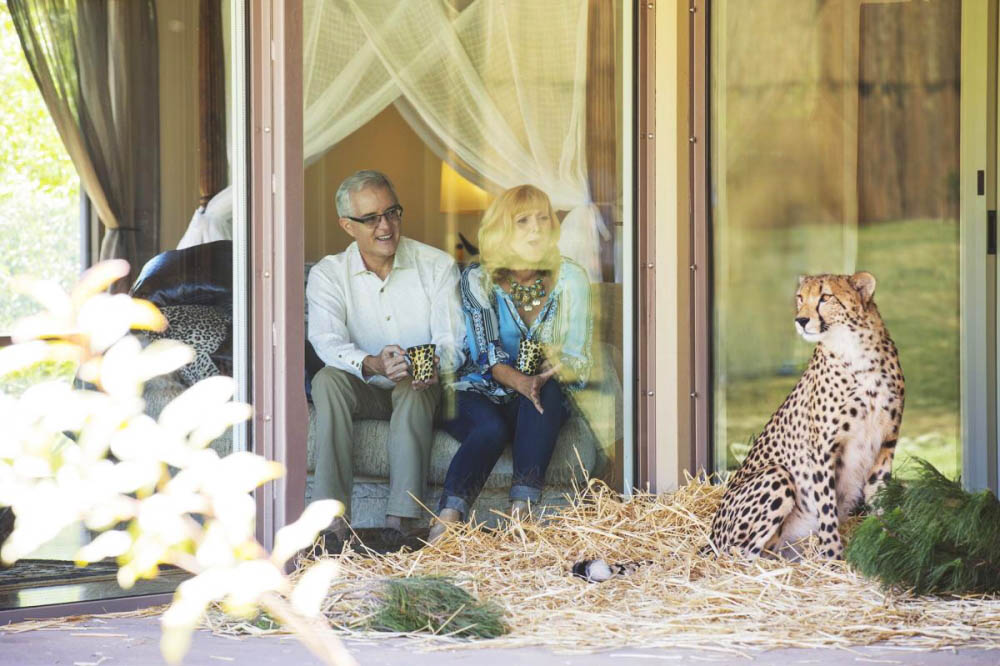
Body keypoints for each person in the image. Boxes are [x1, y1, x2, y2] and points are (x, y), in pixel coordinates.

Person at [428, 184, 593, 542]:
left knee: (546, 393)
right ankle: (447, 522)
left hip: (540, 396)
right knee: (490, 429)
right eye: (523, 221)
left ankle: (521, 518)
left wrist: (553, 368)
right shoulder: (477, 278)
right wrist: (524, 381)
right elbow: (486, 353)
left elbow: (578, 356)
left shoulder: (572, 278)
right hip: (477, 390)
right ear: (502, 229)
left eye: (543, 218)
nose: (536, 229)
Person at [307, 170, 463, 537]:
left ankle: (401, 519)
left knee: (413, 384)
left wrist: (432, 364)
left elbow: (452, 341)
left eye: (392, 212)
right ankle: (331, 516)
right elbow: (326, 340)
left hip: (421, 388)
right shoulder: (329, 274)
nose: (386, 226)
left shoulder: (436, 265)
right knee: (327, 379)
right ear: (347, 226)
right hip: (365, 386)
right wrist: (371, 363)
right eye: (371, 218)